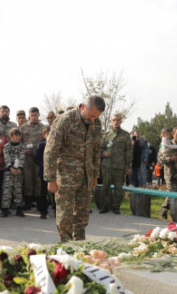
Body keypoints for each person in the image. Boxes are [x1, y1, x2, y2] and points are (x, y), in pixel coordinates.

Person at [44, 95, 104, 242]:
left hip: (86, 177)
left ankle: (80, 245)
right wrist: (50, 179)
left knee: (82, 215)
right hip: (65, 177)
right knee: (65, 215)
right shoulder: (65, 121)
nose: (93, 119)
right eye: (91, 115)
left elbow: (96, 151)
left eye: (96, 117)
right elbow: (51, 151)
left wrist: (95, 175)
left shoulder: (96, 124)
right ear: (83, 107)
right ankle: (66, 246)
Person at [98, 114, 132, 214]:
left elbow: (129, 151)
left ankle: (116, 207)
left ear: (121, 121)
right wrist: (103, 153)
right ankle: (105, 206)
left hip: (119, 166)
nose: (115, 122)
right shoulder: (106, 135)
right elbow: (99, 149)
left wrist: (128, 166)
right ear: (111, 121)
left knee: (118, 188)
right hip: (107, 166)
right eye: (113, 120)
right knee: (105, 187)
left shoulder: (126, 135)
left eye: (117, 120)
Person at [19, 107, 43, 211]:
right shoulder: (23, 127)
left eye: (35, 115)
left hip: (39, 157)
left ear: (39, 115)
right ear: (29, 116)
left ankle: (39, 202)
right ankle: (28, 201)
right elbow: (19, 142)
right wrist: (24, 150)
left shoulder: (43, 127)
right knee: (27, 179)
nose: (33, 117)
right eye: (32, 115)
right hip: (27, 157)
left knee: (38, 179)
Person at [1, 128, 26, 217]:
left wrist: (20, 168)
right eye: (15, 135)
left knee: (18, 190)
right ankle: (5, 209)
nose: (18, 137)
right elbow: (6, 157)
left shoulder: (22, 146)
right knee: (7, 190)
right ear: (10, 136)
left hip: (19, 171)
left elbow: (22, 157)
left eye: (19, 135)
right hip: (9, 171)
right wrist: (10, 168)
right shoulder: (6, 146)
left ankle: (19, 209)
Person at [34, 126, 50, 219]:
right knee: (43, 191)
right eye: (47, 134)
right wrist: (44, 165)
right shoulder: (41, 145)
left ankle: (57, 210)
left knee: (56, 192)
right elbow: (37, 159)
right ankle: (43, 211)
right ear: (44, 135)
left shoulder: (58, 144)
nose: (50, 135)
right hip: (44, 171)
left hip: (55, 172)